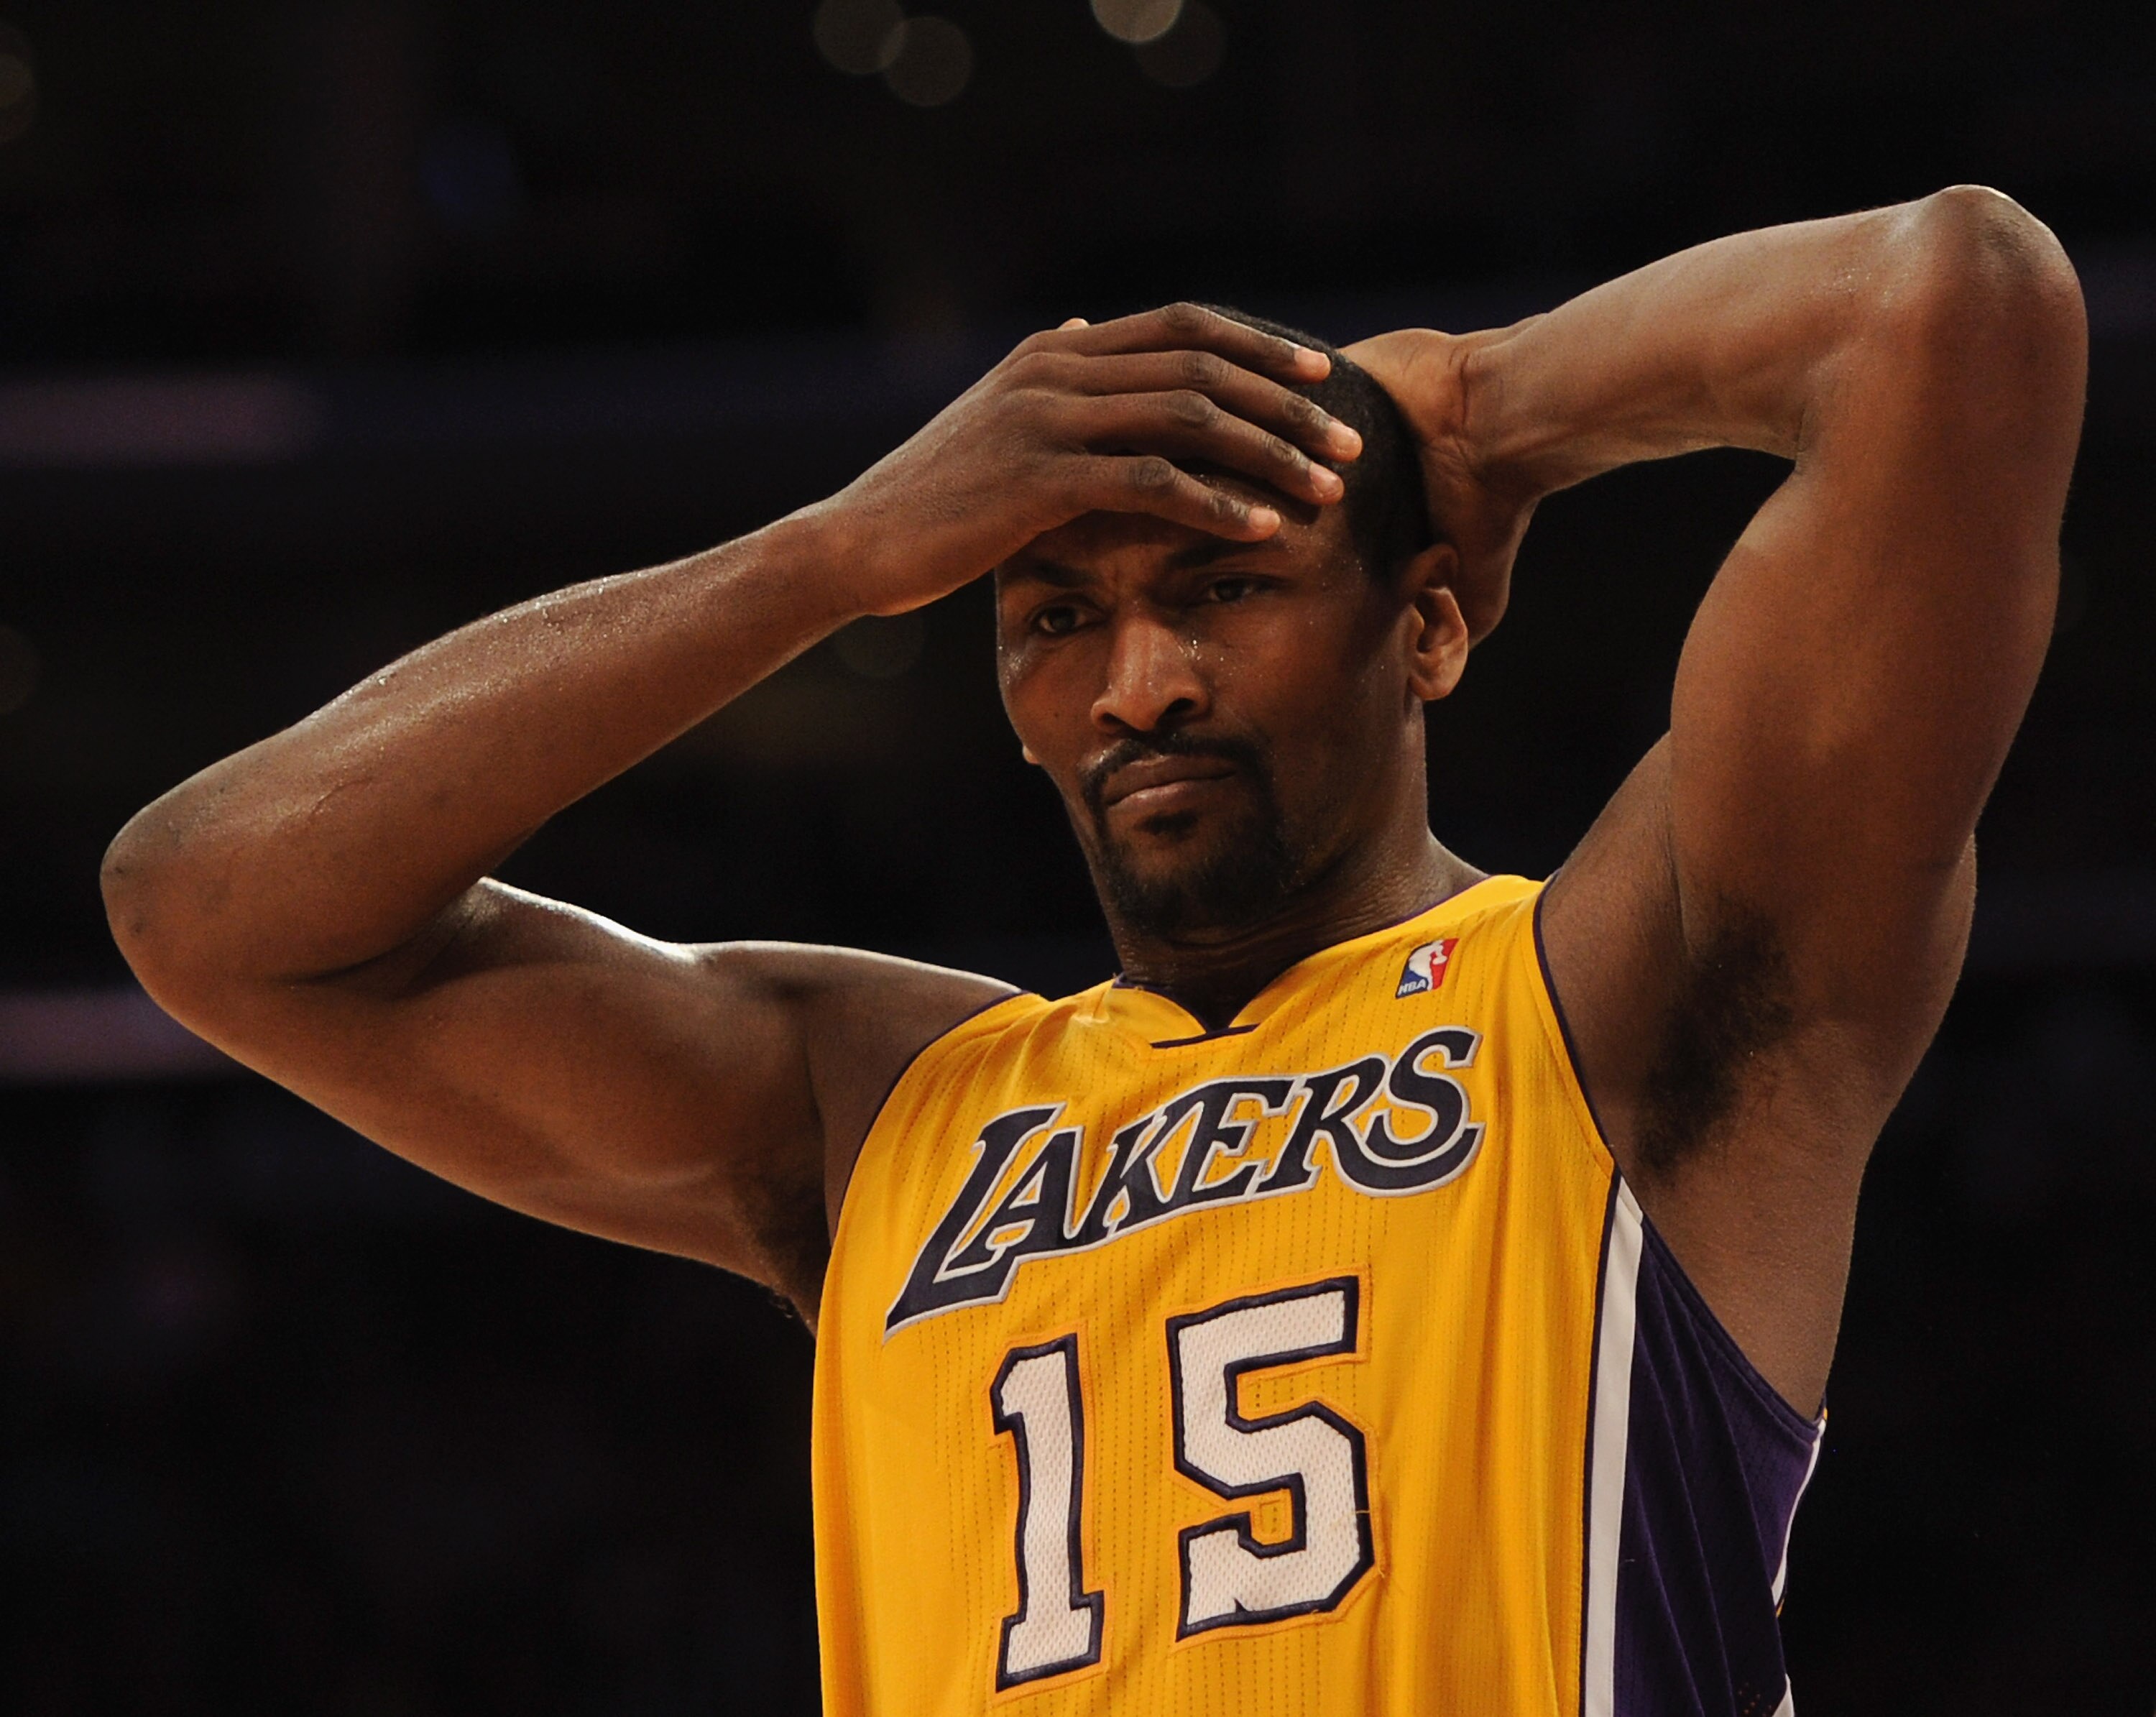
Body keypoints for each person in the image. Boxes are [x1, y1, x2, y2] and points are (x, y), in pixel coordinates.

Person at [102, 186, 2085, 1716]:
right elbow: (211, 906)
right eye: (1056, 620)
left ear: (1429, 626)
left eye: (1225, 587)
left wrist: (1476, 406)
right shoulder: (892, 1108)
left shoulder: (1627, 996)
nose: (1140, 683)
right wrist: (834, 556)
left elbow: (1952, 310)